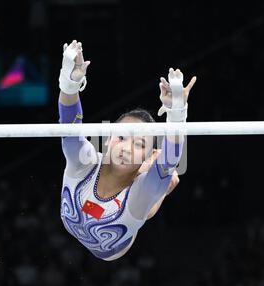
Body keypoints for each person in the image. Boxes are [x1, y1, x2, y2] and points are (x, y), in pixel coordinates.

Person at [59, 40, 196, 261]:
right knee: (162, 182)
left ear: (147, 156)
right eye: (121, 138)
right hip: (119, 196)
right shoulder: (85, 163)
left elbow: (169, 161)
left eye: (139, 144)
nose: (126, 148)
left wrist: (177, 113)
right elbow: (69, 131)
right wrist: (69, 83)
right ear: (108, 139)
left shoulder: (138, 196)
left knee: (162, 178)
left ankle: (159, 181)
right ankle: (162, 183)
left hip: (115, 243)